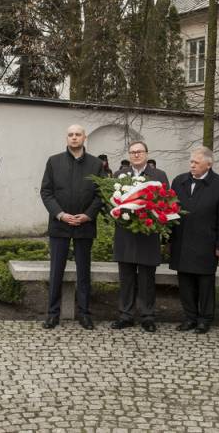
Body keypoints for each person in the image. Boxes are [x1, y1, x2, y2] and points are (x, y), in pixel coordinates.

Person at [39, 124, 105, 330]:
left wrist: (87, 215)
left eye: (78, 134)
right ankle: (52, 314)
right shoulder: (54, 161)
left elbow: (100, 194)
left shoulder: (96, 164)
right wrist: (61, 214)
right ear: (66, 138)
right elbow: (46, 192)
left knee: (84, 272)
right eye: (70, 135)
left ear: (85, 138)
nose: (74, 137)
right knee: (56, 271)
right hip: (60, 225)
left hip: (85, 225)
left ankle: (84, 314)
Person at [169, 147, 219, 334]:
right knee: (185, 283)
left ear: (209, 164)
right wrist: (169, 240)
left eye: (196, 163)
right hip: (182, 241)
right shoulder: (179, 181)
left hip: (207, 243)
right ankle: (190, 317)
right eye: (191, 162)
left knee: (205, 284)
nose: (192, 165)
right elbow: (170, 211)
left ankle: (205, 319)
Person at [111, 141, 169, 332]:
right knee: (126, 278)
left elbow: (165, 202)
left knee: (146, 279)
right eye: (133, 152)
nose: (136, 155)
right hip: (125, 233)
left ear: (146, 154)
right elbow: (111, 202)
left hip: (148, 233)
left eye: (139, 152)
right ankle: (125, 315)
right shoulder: (119, 175)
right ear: (129, 155)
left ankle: (147, 316)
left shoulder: (158, 175)